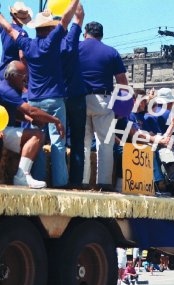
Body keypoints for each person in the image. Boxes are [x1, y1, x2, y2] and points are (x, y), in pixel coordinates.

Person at [0, 0, 79, 188]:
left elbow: (9, 30)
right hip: (54, 97)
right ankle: (60, 183)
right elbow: (66, 19)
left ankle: (38, 177)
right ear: (50, 29)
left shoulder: (27, 44)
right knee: (58, 143)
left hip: (34, 99)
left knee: (38, 138)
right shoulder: (52, 42)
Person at [79, 20, 128, 190]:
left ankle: (83, 182)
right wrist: (123, 108)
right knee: (105, 144)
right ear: (101, 35)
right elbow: (122, 81)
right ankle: (104, 183)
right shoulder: (111, 52)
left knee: (83, 143)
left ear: (86, 33)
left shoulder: (76, 48)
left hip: (80, 99)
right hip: (103, 100)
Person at [0, 60, 64, 188]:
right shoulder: (6, 90)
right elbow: (30, 110)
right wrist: (55, 120)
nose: (26, 79)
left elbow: (13, 114)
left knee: (36, 135)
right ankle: (22, 176)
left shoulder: (10, 88)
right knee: (37, 136)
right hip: (2, 131)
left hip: (4, 128)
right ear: (12, 76)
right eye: (23, 77)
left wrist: (30, 120)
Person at [61, 3, 87, 188]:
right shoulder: (70, 42)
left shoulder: (47, 47)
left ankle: (59, 178)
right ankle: (76, 181)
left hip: (58, 95)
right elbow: (79, 16)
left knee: (58, 140)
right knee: (78, 141)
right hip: (76, 95)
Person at [0, 1, 32, 80]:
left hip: (2, 72)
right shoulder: (22, 33)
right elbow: (22, 56)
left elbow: (3, 22)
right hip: (14, 76)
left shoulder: (4, 29)